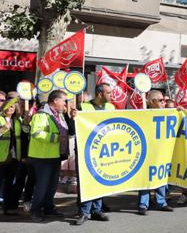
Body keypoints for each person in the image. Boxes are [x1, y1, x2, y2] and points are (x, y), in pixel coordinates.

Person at [28, 90, 72, 222]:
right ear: (55, 101)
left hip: (55, 155)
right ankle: (35, 211)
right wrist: (55, 138)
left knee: (52, 185)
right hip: (42, 157)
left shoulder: (59, 115)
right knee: (42, 185)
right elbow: (36, 133)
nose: (65, 104)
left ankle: (48, 208)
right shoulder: (41, 115)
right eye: (64, 101)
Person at [75, 84, 114, 225]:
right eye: (109, 92)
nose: (112, 95)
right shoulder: (83, 107)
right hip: (86, 150)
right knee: (87, 181)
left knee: (100, 179)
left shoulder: (111, 107)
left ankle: (97, 210)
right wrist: (73, 116)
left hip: (103, 151)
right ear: (100, 94)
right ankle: (84, 212)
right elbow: (75, 127)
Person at [137, 90, 174, 215]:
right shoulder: (143, 114)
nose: (164, 102)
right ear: (152, 102)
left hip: (162, 151)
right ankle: (143, 204)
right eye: (161, 100)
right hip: (147, 152)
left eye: (164, 100)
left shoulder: (168, 114)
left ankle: (161, 202)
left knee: (161, 176)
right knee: (145, 178)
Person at [0, 96, 23, 215]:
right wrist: (3, 128)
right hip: (1, 157)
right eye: (8, 106)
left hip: (14, 157)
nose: (10, 108)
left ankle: (7, 208)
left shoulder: (17, 121)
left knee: (9, 183)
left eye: (12, 106)